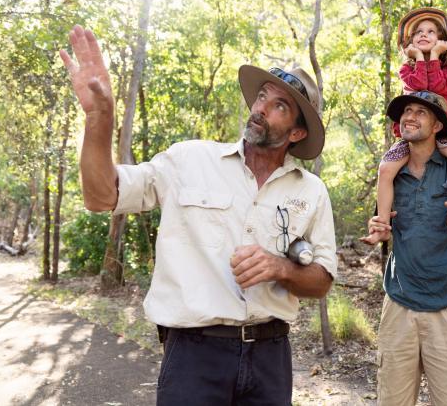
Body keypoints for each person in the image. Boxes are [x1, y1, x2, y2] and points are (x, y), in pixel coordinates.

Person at [59, 25, 337, 405]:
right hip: (193, 356)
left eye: (279, 106)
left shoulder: (311, 191)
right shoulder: (189, 159)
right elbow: (102, 195)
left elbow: (321, 281)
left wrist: (281, 268)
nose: (260, 109)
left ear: (296, 134)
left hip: (271, 357)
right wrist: (99, 119)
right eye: (262, 97)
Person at [365, 90, 447, 406]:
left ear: (438, 125)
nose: (409, 117)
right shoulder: (392, 172)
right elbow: (383, 223)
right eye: (406, 111)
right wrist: (378, 229)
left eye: (420, 112)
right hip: (399, 304)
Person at [362, 8, 447, 244]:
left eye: (431, 32)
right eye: (418, 32)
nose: (424, 34)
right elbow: (421, 85)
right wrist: (422, 58)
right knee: (385, 168)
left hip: (441, 132)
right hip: (413, 135)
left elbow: (438, 88)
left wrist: (433, 57)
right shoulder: (406, 69)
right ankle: (381, 224)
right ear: (410, 42)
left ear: (441, 40)